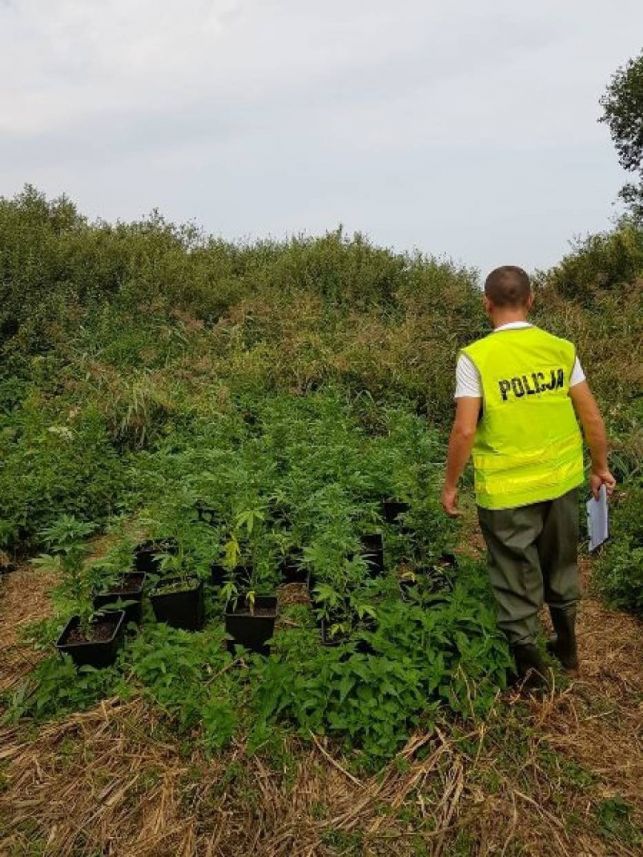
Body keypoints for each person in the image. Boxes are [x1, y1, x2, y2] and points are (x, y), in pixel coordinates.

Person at [441, 265, 616, 688]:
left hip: (507, 495)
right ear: (531, 299)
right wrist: (600, 467)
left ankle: (533, 675)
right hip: (560, 483)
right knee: (560, 564)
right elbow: (589, 414)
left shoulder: (476, 357)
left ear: (487, 303)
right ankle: (567, 646)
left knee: (515, 575)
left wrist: (450, 486)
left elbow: (465, 429)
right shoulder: (559, 349)